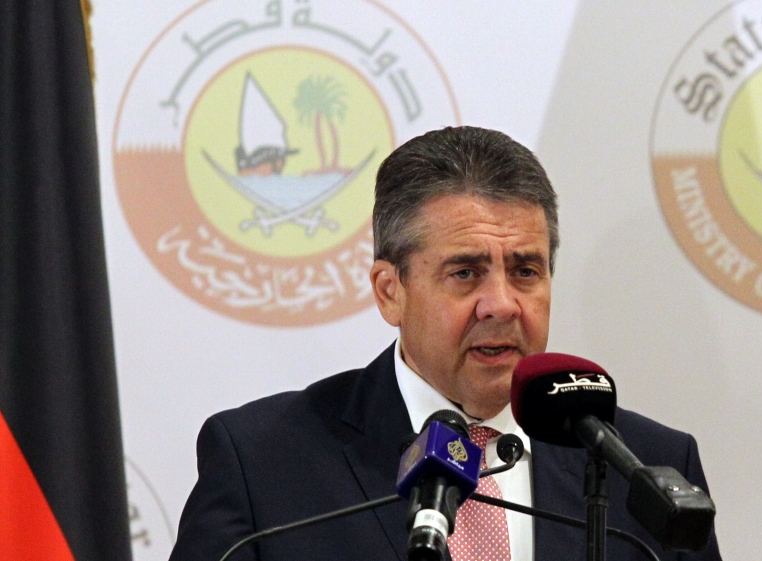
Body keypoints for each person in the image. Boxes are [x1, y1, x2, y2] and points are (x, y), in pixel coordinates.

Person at [168, 126, 722, 561]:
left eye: (525, 271)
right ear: (390, 292)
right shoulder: (263, 464)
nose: (501, 304)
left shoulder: (646, 470)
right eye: (465, 273)